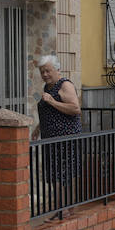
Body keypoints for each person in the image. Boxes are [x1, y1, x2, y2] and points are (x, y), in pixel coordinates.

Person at [34, 55, 82, 194]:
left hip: (65, 140)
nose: (44, 74)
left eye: (48, 71)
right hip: (51, 140)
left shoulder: (65, 85)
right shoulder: (48, 87)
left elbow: (75, 109)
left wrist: (52, 101)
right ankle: (59, 204)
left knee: (66, 177)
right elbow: (50, 112)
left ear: (57, 69)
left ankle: (68, 205)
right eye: (42, 71)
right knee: (54, 176)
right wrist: (38, 128)